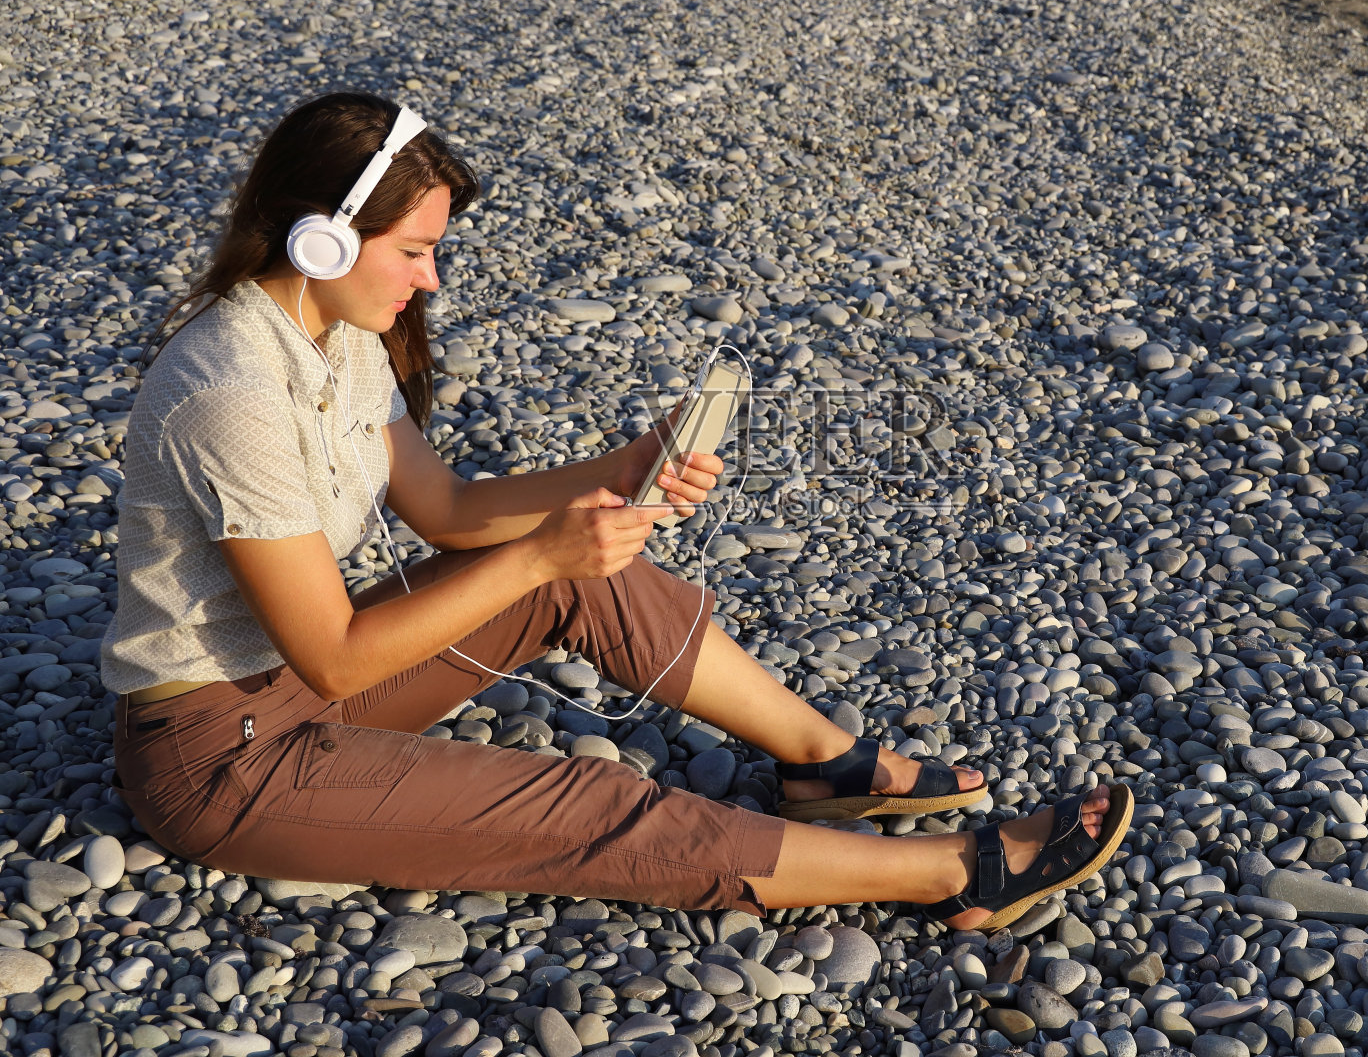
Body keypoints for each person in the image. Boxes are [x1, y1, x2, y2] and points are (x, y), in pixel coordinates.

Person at [102, 90, 1131, 931]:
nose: (431, 279)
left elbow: (451, 510)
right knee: (584, 802)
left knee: (600, 577)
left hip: (291, 687)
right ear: (322, 241)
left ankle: (827, 764)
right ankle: (959, 874)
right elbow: (334, 657)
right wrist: (539, 559)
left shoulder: (340, 341)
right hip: (225, 758)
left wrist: (627, 466)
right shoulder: (229, 392)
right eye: (415, 251)